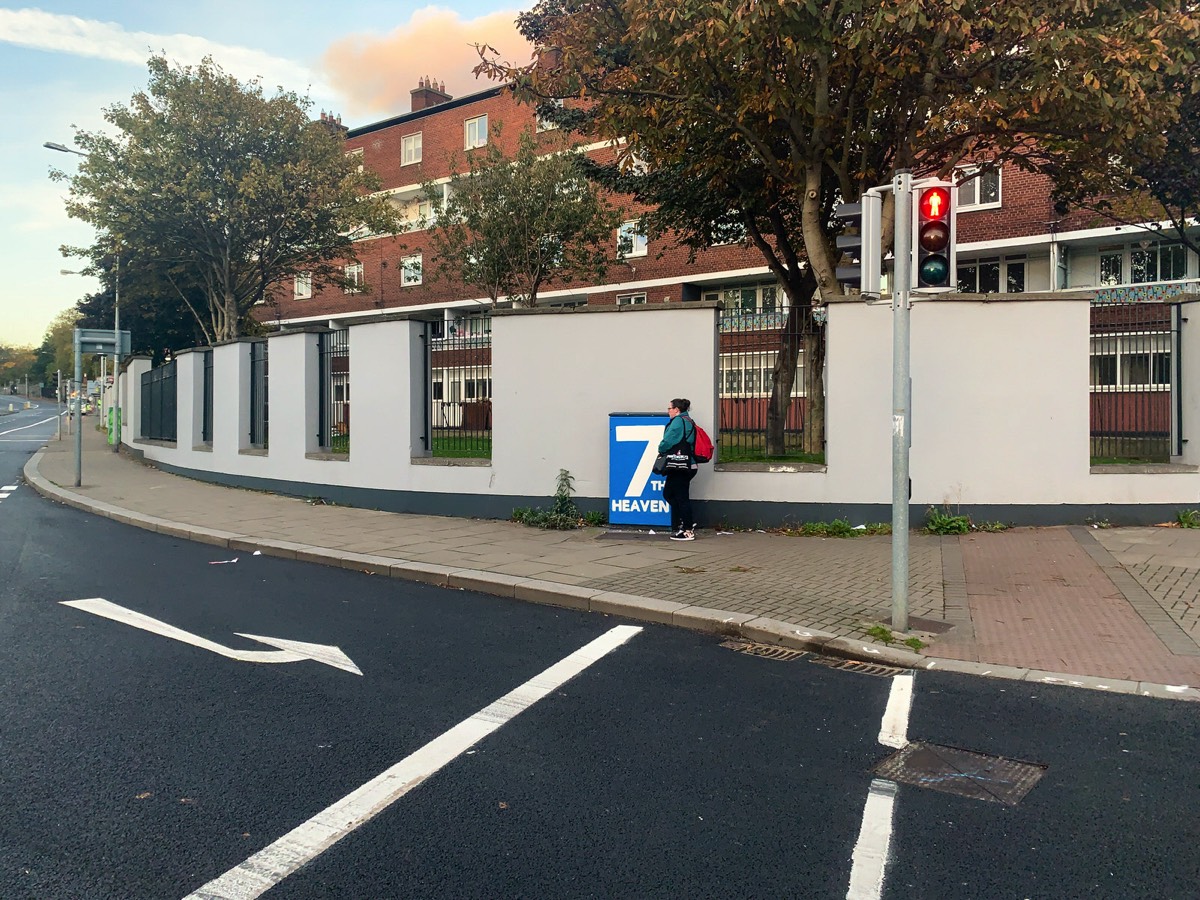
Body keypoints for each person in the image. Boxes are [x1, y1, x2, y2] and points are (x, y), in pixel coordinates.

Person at [660, 398, 698, 541]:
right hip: (686, 465)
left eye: (669, 408)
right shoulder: (688, 420)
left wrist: (660, 448)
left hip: (680, 465)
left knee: (680, 497)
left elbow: (667, 441)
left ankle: (688, 530)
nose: (668, 411)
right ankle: (685, 521)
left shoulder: (678, 422)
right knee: (670, 493)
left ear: (677, 410)